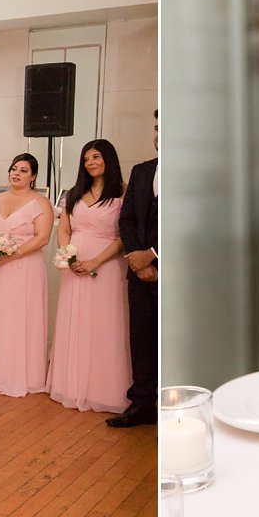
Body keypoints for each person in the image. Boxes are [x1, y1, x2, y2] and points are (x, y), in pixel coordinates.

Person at [48, 140, 131, 414]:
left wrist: (95, 260)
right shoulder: (74, 193)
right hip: (74, 266)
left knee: (105, 323)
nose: (90, 163)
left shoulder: (122, 192)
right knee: (75, 321)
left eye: (96, 157)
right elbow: (65, 228)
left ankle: (103, 389)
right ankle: (70, 384)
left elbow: (124, 236)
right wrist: (68, 256)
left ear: (109, 158)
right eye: (86, 159)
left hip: (106, 265)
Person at [0, 153, 54, 398]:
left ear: (33, 176)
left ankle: (19, 373)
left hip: (24, 268)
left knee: (19, 318)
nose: (16, 173)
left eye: (24, 170)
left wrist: (12, 254)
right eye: (14, 168)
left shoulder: (40, 203)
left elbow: (43, 238)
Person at [108, 112, 158, 427]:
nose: (159, 135)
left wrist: (154, 255)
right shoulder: (141, 172)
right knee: (140, 339)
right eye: (156, 128)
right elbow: (126, 219)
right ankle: (141, 404)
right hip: (138, 274)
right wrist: (136, 258)